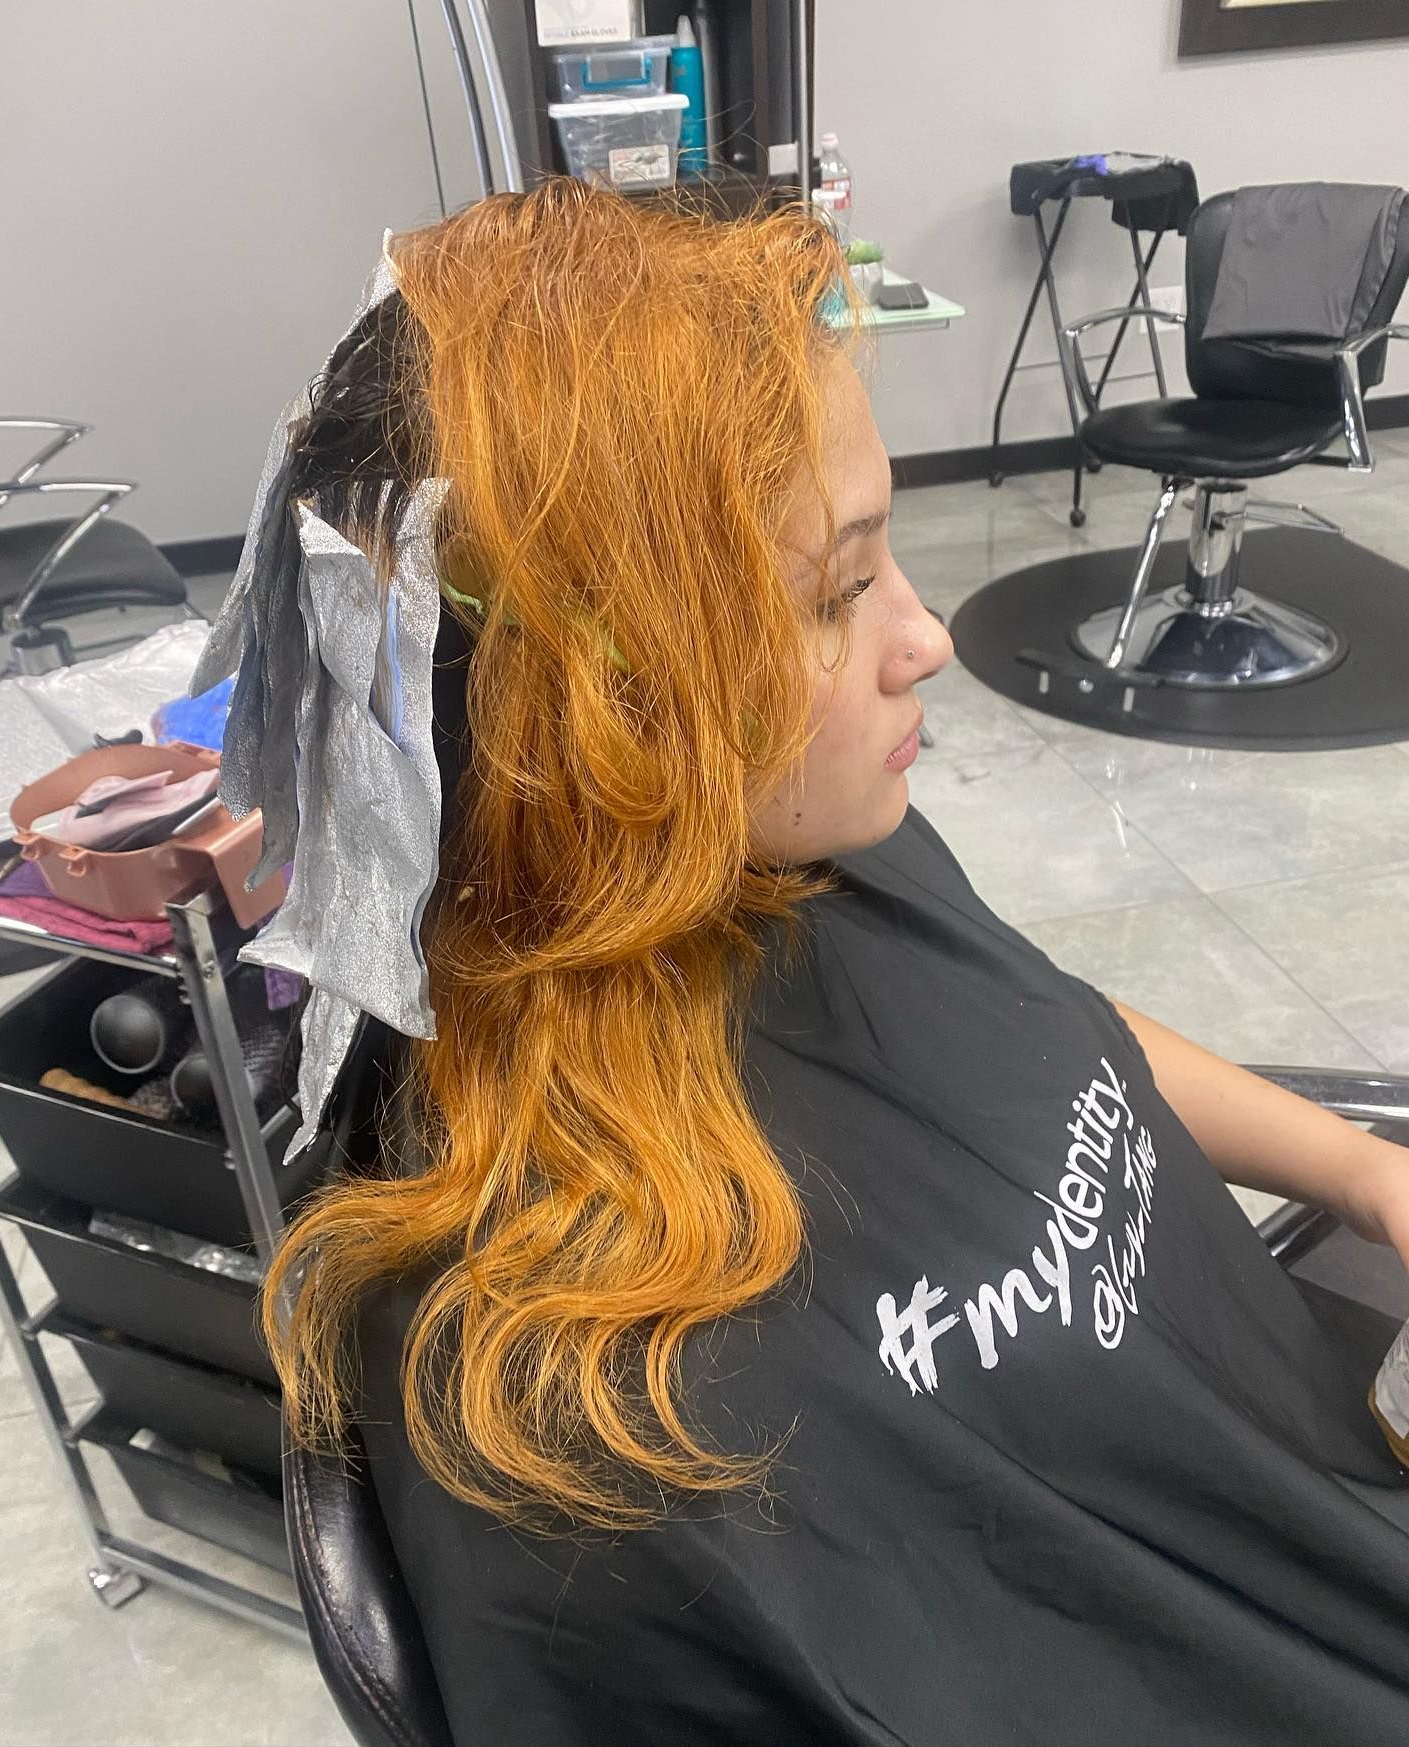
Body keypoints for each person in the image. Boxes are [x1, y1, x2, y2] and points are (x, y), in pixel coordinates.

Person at [248, 181, 1409, 1744]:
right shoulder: (576, 1428)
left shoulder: (809, 848)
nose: (922, 639)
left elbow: (1040, 1026)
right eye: (836, 589)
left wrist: (1362, 1172)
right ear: (587, 705)